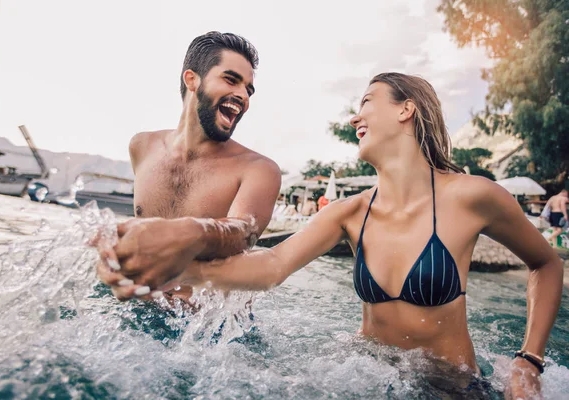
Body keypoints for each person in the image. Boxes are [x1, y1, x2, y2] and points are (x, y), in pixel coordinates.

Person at [162, 73, 563, 398]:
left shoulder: (473, 196)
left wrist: (529, 359)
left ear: (407, 109)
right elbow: (270, 265)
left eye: (367, 103)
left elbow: (546, 263)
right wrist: (174, 269)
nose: (356, 118)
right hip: (369, 377)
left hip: (453, 386)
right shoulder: (349, 212)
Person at [94, 31, 281, 303]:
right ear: (192, 79)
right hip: (137, 312)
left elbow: (244, 231)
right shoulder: (142, 146)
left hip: (209, 333)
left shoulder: (259, 170)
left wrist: (192, 233)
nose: (242, 95)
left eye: (248, 90)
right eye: (231, 80)